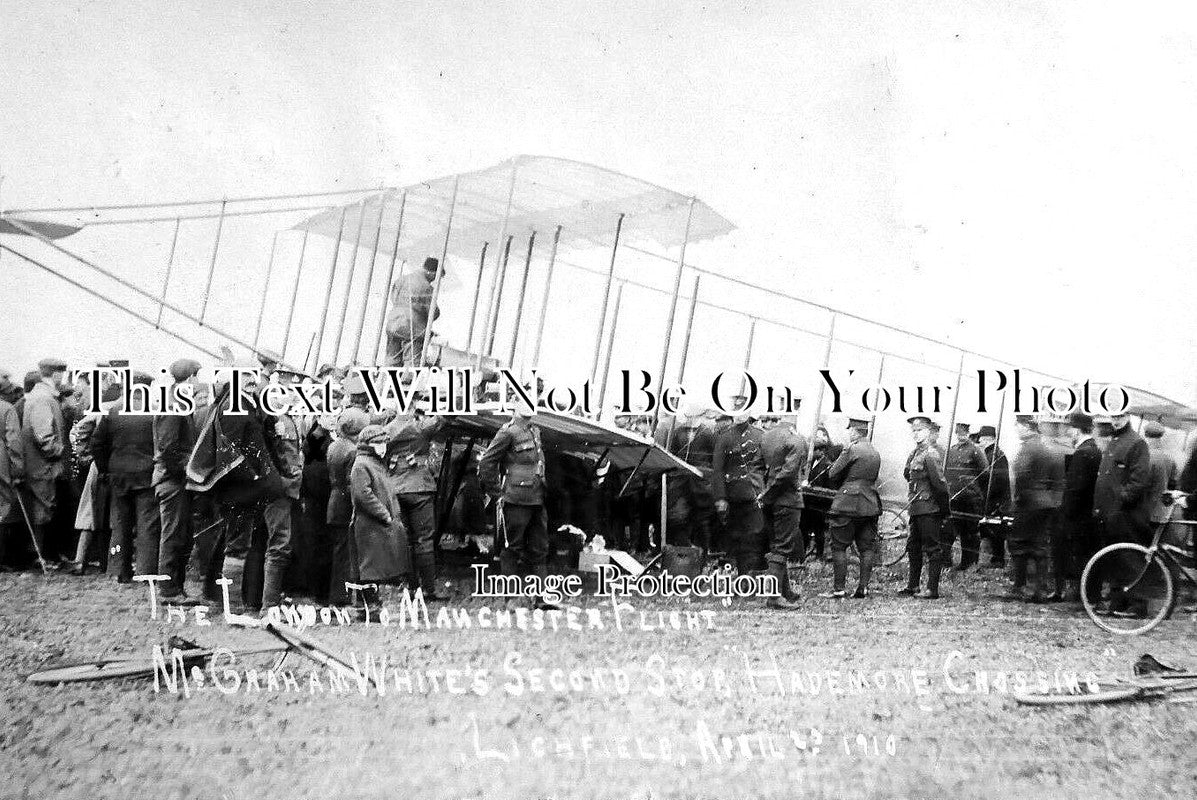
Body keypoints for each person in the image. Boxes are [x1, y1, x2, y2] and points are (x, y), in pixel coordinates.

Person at [478, 399, 550, 607]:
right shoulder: (507, 432)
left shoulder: (535, 431)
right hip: (515, 498)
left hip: (537, 497)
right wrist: (497, 493)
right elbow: (486, 462)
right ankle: (511, 599)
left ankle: (541, 598)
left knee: (539, 548)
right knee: (511, 548)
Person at [91, 372, 160, 583]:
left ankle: (118, 570)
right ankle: (145, 572)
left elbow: (97, 443)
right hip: (147, 475)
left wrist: (105, 468)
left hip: (118, 475)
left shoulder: (113, 410)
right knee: (147, 525)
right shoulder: (156, 411)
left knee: (119, 524)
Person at [1089, 410, 1153, 616]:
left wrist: (1121, 501)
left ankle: (1138, 604)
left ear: (1128, 417)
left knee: (1129, 559)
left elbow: (1138, 481)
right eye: (1113, 417)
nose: (1116, 421)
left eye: (1120, 417)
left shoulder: (1136, 443)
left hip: (1127, 514)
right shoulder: (1115, 441)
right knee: (1115, 559)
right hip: (1111, 513)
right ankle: (1118, 602)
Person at [381, 406, 448, 600]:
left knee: (407, 540)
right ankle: (429, 589)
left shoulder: (386, 430)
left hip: (395, 487)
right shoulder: (420, 427)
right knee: (424, 540)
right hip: (419, 487)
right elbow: (444, 418)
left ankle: (412, 587)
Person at [152, 358, 202, 602]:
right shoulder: (174, 405)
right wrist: (191, 469)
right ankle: (169, 590)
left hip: (176, 480)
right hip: (173, 481)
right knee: (173, 533)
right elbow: (168, 448)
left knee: (180, 533)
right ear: (191, 378)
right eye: (197, 376)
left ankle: (175, 588)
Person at [349, 425, 411, 611]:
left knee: (372, 566)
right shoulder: (362, 464)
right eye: (377, 443)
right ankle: (369, 606)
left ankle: (366, 604)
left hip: (376, 523)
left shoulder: (373, 462)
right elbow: (363, 495)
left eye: (384, 442)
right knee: (369, 568)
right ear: (368, 444)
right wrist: (384, 515)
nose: (382, 446)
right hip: (369, 524)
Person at [821, 417, 882, 599]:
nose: (849, 433)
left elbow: (833, 473)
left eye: (850, 430)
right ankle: (863, 587)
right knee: (866, 548)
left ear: (855, 431)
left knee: (839, 547)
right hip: (870, 503)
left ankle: (839, 588)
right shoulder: (875, 452)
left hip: (847, 503)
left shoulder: (852, 449)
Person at [1007, 415, 1065, 603]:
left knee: (1019, 544)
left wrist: (1017, 500)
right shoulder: (1046, 447)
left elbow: (1022, 475)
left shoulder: (1028, 448)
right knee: (1039, 547)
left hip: (1028, 503)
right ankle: (1040, 589)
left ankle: (1021, 586)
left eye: (1018, 426)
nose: (1016, 429)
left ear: (1025, 427)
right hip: (1046, 502)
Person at [19, 358, 68, 569]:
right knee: (43, 511)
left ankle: (46, 555)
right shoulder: (43, 398)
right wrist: (58, 451)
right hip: (42, 467)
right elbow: (43, 435)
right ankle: (42, 557)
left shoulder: (41, 396)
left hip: (40, 465)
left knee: (45, 510)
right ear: (56, 374)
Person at [260, 374, 303, 610]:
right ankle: (269, 605)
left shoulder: (287, 419)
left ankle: (275, 597)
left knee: (283, 544)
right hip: (279, 490)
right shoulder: (272, 421)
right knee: (279, 544)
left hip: (289, 489)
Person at [711, 398, 767, 576]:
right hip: (734, 496)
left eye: (743, 410)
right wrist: (720, 498)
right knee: (738, 538)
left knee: (756, 536)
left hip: (756, 494)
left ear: (749, 413)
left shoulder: (761, 436)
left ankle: (754, 576)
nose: (739, 415)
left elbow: (768, 467)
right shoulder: (725, 437)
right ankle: (744, 577)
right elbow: (718, 470)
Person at [758, 414, 807, 608]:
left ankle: (785, 591)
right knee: (782, 548)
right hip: (787, 500)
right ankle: (773, 596)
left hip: (769, 501)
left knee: (776, 547)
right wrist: (769, 493)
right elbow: (788, 473)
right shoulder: (796, 440)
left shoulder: (767, 437)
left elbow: (755, 466)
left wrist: (762, 493)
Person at [654, 406, 718, 551]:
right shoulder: (678, 432)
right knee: (679, 516)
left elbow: (714, 458)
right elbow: (672, 455)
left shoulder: (707, 433)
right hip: (681, 481)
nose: (691, 419)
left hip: (701, 482)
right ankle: (683, 549)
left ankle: (704, 552)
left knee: (702, 519)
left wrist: (708, 475)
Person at [900, 415, 949, 599]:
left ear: (928, 431)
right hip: (916, 507)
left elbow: (940, 485)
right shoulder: (915, 453)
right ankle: (912, 585)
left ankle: (932, 589)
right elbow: (908, 474)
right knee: (913, 547)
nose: (916, 434)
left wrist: (944, 511)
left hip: (929, 508)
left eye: (919, 430)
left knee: (932, 549)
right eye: (913, 431)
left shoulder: (931, 454)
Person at [326, 408, 369, 606]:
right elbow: (352, 482)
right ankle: (343, 596)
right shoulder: (352, 451)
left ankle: (338, 595)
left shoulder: (335, 446)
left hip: (334, 501)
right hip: (345, 504)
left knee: (339, 552)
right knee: (349, 554)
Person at [1060, 412, 1101, 603]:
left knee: (1080, 554)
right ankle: (1086, 595)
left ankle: (1082, 596)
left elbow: (1076, 488)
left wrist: (1066, 513)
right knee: (1086, 554)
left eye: (1070, 429)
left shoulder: (1083, 452)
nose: (1068, 433)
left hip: (1079, 514)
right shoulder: (1094, 449)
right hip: (1088, 512)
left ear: (1077, 430)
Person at [944, 421, 988, 571]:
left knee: (970, 532)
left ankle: (970, 563)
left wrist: (973, 488)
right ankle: (953, 563)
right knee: (952, 530)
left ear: (968, 434)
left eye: (964, 433)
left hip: (971, 499)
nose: (961, 436)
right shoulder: (952, 450)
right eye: (958, 433)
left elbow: (985, 473)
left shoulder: (975, 451)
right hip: (955, 497)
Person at [384, 257, 442, 367]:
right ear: (430, 272)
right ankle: (406, 382)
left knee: (392, 359)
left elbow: (394, 298)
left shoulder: (402, 279)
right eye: (436, 275)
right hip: (412, 328)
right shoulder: (427, 288)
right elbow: (432, 312)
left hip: (393, 324)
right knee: (412, 362)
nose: (435, 279)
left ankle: (388, 381)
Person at [802, 425, 842, 562]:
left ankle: (819, 555)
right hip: (810, 502)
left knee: (818, 529)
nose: (811, 453)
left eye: (814, 450)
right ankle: (805, 552)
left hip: (820, 504)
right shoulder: (812, 462)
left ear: (821, 451)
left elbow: (829, 487)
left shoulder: (827, 466)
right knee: (804, 527)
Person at [974, 424, 1011, 568]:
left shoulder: (995, 456)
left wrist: (986, 495)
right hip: (993, 498)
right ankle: (994, 558)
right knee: (991, 528)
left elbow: (997, 480)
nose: (980, 442)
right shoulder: (992, 454)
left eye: (981, 439)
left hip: (996, 499)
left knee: (995, 529)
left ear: (987, 439)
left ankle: (998, 560)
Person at [0, 394, 23, 571]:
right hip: (2, 464)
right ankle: (5, 558)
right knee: (5, 507)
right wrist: (17, 469)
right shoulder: (7, 408)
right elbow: (13, 441)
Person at [1144, 422, 1178, 530]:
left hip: (1144, 510)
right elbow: (1173, 484)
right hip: (1162, 511)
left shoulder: (1144, 456)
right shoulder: (1170, 458)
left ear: (1145, 435)